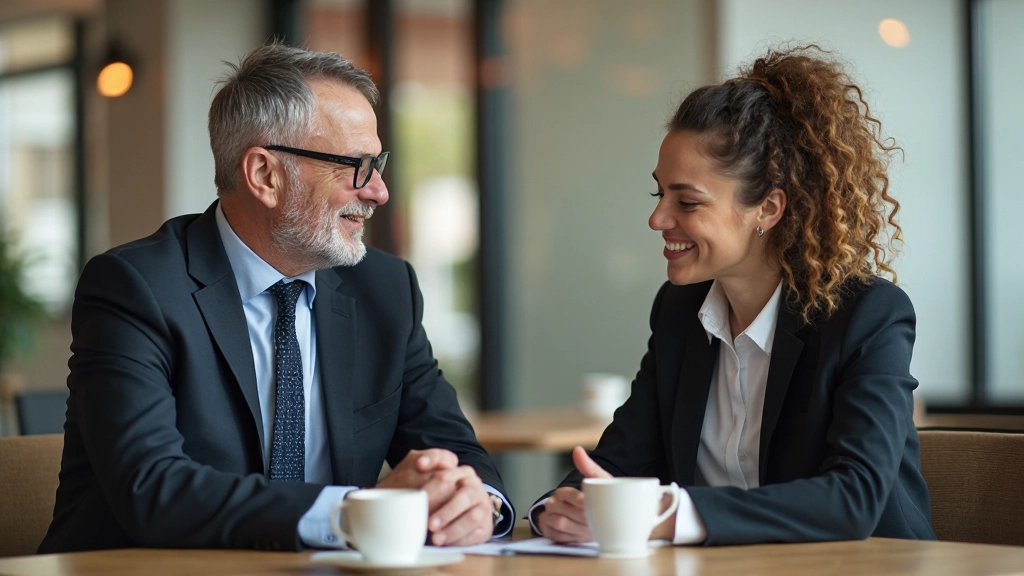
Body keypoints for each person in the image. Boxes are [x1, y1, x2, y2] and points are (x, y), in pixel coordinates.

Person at [39, 43, 512, 553]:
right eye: (355, 166)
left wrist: (475, 502)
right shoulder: (136, 287)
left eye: (378, 164)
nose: (378, 191)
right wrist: (354, 513)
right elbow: (152, 488)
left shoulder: (385, 289)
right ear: (264, 174)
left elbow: (453, 449)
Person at [532, 46, 936, 545]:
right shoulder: (679, 312)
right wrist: (558, 511)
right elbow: (617, 463)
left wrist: (669, 516)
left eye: (688, 201)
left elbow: (853, 499)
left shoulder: (865, 315)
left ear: (767, 208)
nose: (658, 219)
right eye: (660, 194)